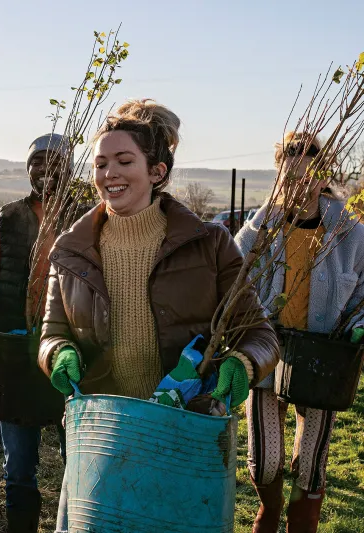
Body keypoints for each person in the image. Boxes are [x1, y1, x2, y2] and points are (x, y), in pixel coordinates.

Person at [38, 99, 278, 532]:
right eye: (101, 163)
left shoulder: (210, 244)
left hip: (186, 434)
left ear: (157, 172)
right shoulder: (71, 252)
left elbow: (258, 332)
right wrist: (57, 353)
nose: (109, 173)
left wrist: (243, 363)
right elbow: (52, 332)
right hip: (104, 437)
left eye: (124, 161)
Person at [235, 131, 364, 533]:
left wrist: (358, 327)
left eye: (307, 177)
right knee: (265, 459)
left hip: (324, 358)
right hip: (269, 352)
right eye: (288, 178)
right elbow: (233, 279)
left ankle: (301, 522)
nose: (297, 187)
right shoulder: (262, 229)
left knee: (310, 467)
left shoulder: (349, 232)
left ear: (323, 177)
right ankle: (268, 512)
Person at [0, 132, 74, 532]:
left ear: (69, 168)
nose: (44, 171)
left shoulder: (86, 219)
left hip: (69, 356)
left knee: (78, 460)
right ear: (27, 169)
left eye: (54, 163)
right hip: (13, 354)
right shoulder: (4, 219)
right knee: (18, 468)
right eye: (36, 164)